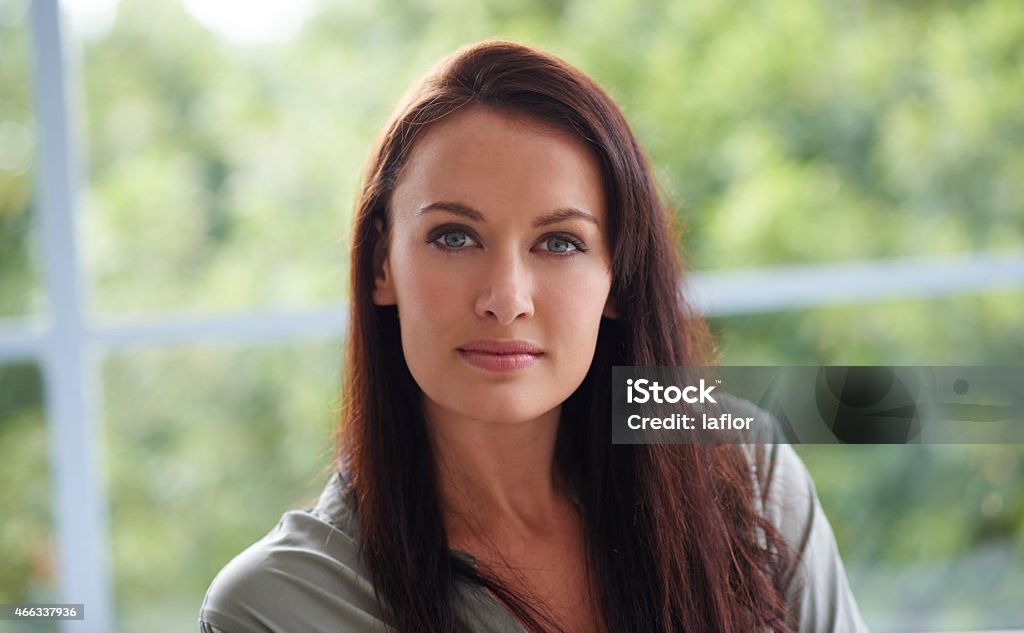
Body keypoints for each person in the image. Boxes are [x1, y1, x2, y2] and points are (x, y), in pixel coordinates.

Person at [199, 39, 869, 632]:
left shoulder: (743, 469)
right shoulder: (277, 609)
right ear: (382, 265)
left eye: (559, 242)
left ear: (619, 276)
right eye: (454, 236)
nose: (506, 298)